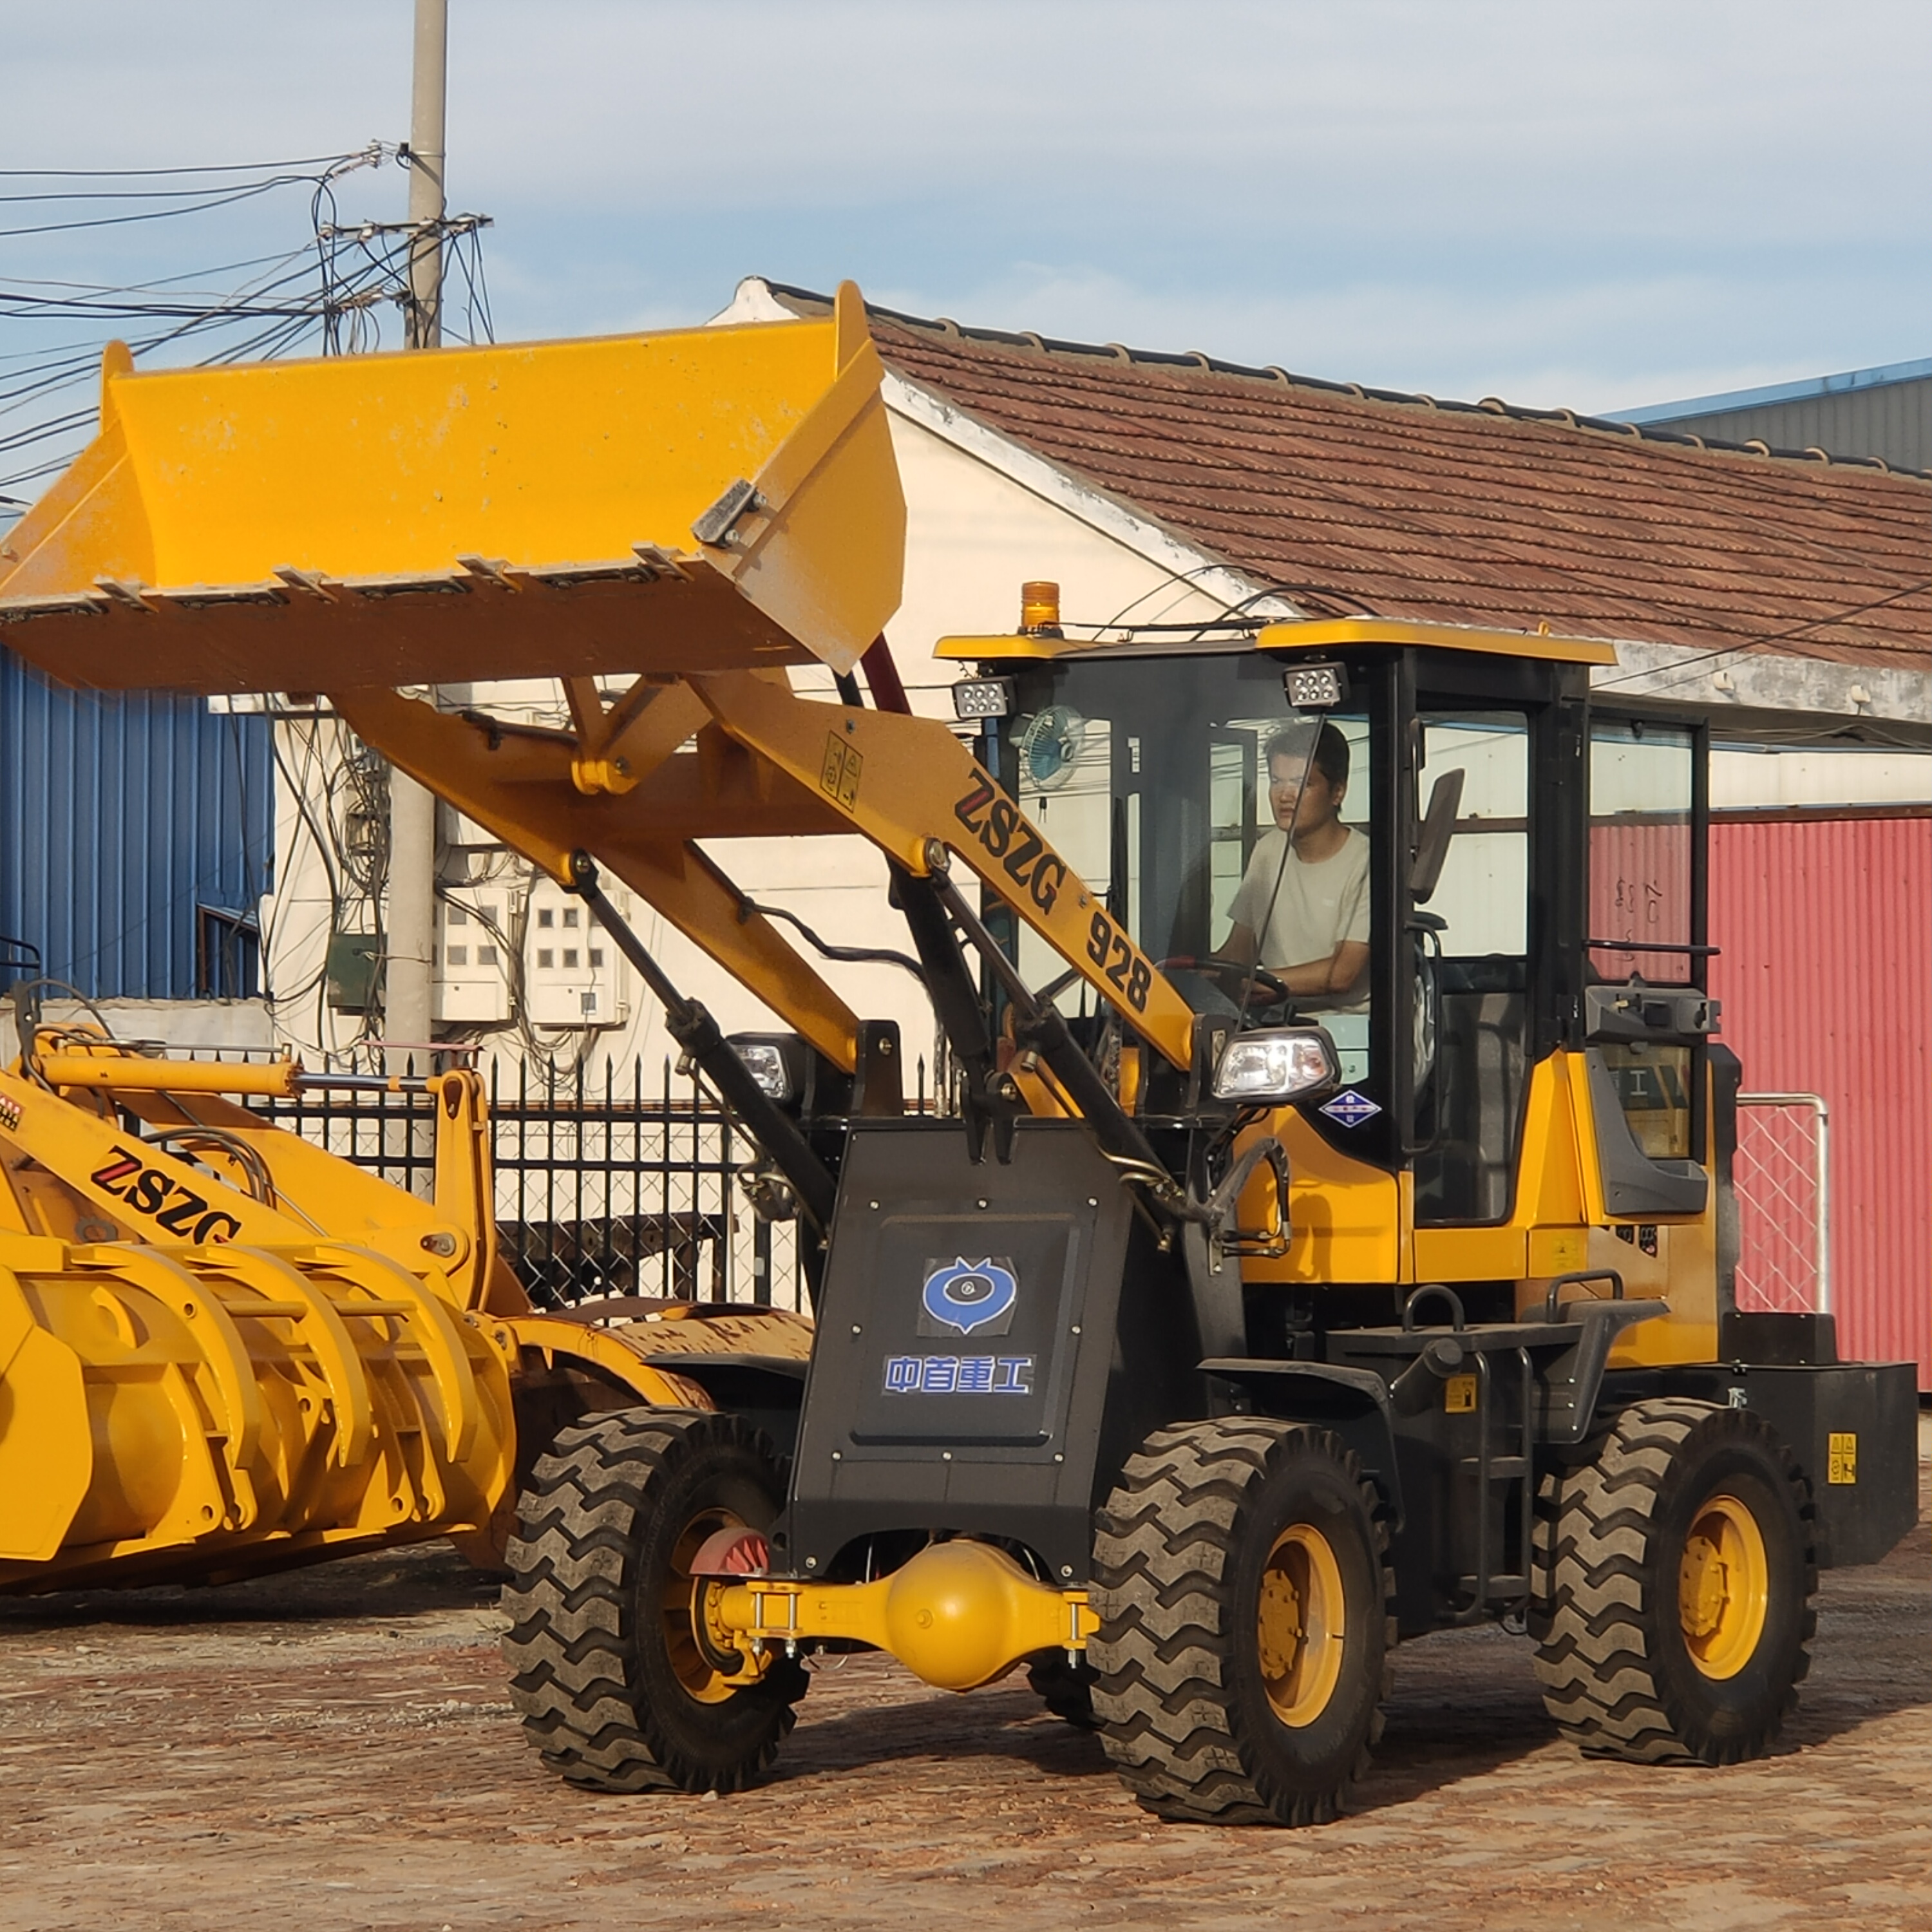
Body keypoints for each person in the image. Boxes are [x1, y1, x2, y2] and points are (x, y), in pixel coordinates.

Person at [1223, 721, 1370, 1009]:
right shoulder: (1268, 850)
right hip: (1275, 1025)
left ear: (1337, 792)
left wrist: (1260, 982)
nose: (1285, 795)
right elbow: (1238, 952)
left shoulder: (1365, 861)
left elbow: (1343, 974)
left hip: (1352, 1032)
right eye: (1277, 781)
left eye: (1302, 783)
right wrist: (1183, 974)